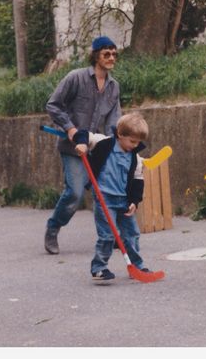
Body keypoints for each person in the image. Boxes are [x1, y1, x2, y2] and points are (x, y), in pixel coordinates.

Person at [44, 36, 122, 254]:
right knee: (75, 193)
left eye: (114, 54)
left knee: (106, 193)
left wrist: (116, 146)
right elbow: (53, 105)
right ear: (95, 55)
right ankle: (53, 228)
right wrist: (70, 129)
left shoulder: (113, 87)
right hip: (73, 148)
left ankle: (110, 236)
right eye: (107, 54)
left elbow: (114, 121)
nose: (111, 57)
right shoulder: (75, 78)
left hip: (97, 147)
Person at [71, 112, 152, 283]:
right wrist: (82, 144)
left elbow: (138, 180)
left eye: (137, 142)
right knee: (107, 235)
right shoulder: (104, 143)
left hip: (123, 199)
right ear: (120, 135)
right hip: (104, 197)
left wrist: (134, 201)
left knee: (132, 234)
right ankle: (99, 268)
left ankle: (136, 266)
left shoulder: (134, 157)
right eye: (132, 141)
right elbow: (84, 134)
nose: (135, 145)